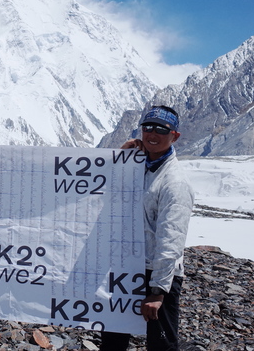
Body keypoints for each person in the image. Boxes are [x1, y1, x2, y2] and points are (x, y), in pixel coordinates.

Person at [101, 105, 194, 351]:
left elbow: (171, 238)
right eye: (148, 127)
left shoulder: (175, 183)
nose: (152, 134)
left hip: (157, 274)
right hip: (127, 267)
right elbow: (101, 190)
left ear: (175, 135)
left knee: (161, 344)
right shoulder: (137, 166)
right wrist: (119, 158)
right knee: (112, 339)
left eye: (161, 129)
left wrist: (157, 291)